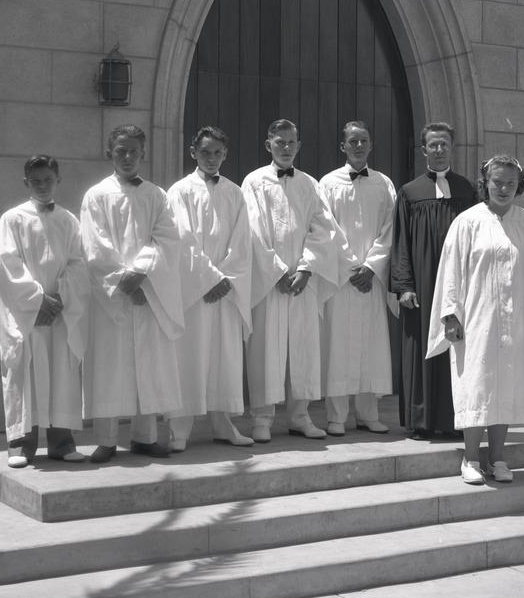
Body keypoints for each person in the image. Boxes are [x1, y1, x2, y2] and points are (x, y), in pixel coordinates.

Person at [427, 155, 524, 485]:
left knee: (507, 386)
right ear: (485, 183)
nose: (504, 188)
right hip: (478, 320)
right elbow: (451, 272)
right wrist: (450, 315)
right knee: (478, 384)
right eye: (498, 182)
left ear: (520, 185)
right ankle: (470, 458)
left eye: (511, 183)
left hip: (519, 321)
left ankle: (498, 457)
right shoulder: (468, 222)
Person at [80, 125, 184, 463]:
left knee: (148, 366)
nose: (127, 157)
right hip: (112, 297)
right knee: (111, 367)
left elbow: (167, 238)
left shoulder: (156, 195)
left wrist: (141, 273)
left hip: (148, 292)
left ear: (143, 153)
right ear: (110, 151)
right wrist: (123, 280)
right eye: (121, 150)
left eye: (134, 151)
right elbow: (94, 244)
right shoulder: (96, 196)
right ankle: (107, 440)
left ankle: (145, 437)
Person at [241, 119, 341, 443]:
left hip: (302, 280)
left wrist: (306, 267)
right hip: (270, 279)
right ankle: (262, 418)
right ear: (268, 144)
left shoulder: (310, 184)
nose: (286, 148)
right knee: (266, 347)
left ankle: (300, 415)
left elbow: (324, 229)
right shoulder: (254, 182)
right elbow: (252, 230)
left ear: (299, 146)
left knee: (303, 346)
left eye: (291, 142)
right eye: (279, 142)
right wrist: (277, 270)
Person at [0, 155, 89, 468]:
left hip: (59, 311)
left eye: (47, 179)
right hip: (27, 315)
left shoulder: (69, 220)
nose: (42, 185)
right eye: (36, 181)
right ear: (26, 183)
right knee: (24, 375)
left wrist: (59, 297)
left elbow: (78, 262)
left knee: (61, 374)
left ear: (58, 179)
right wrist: (36, 300)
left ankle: (62, 442)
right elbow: (6, 265)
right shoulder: (12, 219)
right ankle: (20, 445)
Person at [165, 126, 254, 451]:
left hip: (226, 291)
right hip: (196, 290)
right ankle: (180, 427)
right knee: (190, 355)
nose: (212, 158)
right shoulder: (179, 192)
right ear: (193, 153)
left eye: (217, 152)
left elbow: (242, 241)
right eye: (205, 152)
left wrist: (226, 278)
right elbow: (181, 239)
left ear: (225, 154)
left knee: (224, 357)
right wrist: (208, 278)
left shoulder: (234, 192)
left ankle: (223, 422)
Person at [390, 122, 478, 439]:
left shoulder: (467, 191)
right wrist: (404, 285)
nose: (439, 150)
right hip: (423, 285)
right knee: (420, 347)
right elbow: (399, 242)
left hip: (460, 284)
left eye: (444, 145)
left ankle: (455, 419)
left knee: (457, 349)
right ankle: (421, 420)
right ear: (424, 149)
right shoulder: (410, 192)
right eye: (433, 145)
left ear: (451, 148)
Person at [319, 121, 398, 436]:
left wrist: (372, 266)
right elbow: (327, 228)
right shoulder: (327, 183)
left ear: (371, 144)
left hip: (371, 278)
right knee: (337, 345)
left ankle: (368, 413)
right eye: (353, 141)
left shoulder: (384, 183)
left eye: (364, 140)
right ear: (343, 146)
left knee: (371, 345)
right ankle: (336, 415)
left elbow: (391, 228)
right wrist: (352, 266)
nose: (359, 145)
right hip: (342, 279)